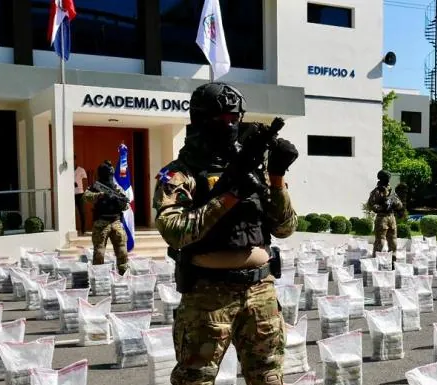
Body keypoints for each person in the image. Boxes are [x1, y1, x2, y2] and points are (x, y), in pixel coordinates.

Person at [152, 82, 299, 385]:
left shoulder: (251, 166)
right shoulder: (179, 173)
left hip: (261, 293)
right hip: (208, 297)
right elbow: (175, 231)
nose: (230, 126)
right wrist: (229, 196)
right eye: (222, 120)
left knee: (269, 376)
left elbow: (284, 228)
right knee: (196, 379)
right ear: (200, 120)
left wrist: (276, 177)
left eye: (235, 119)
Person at [83, 160, 131, 274]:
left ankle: (123, 275)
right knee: (99, 253)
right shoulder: (96, 186)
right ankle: (99, 277)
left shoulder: (116, 188)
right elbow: (86, 197)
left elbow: (126, 205)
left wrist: (120, 202)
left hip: (115, 222)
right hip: (101, 223)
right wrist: (101, 195)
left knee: (122, 252)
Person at [368, 170, 403, 257]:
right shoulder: (377, 191)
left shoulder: (392, 191)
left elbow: (400, 205)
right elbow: (371, 205)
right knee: (380, 241)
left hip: (391, 217)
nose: (388, 180)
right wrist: (382, 206)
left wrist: (394, 202)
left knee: (393, 241)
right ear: (382, 178)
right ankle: (376, 260)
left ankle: (392, 260)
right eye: (387, 178)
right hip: (382, 218)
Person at [74, 157, 88, 235]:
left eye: (74, 159)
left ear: (76, 160)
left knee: (82, 212)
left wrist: (85, 192)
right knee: (72, 213)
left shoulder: (81, 170)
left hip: (80, 193)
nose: (73, 161)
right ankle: (73, 229)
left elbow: (85, 181)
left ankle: (83, 230)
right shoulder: (68, 171)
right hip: (70, 194)